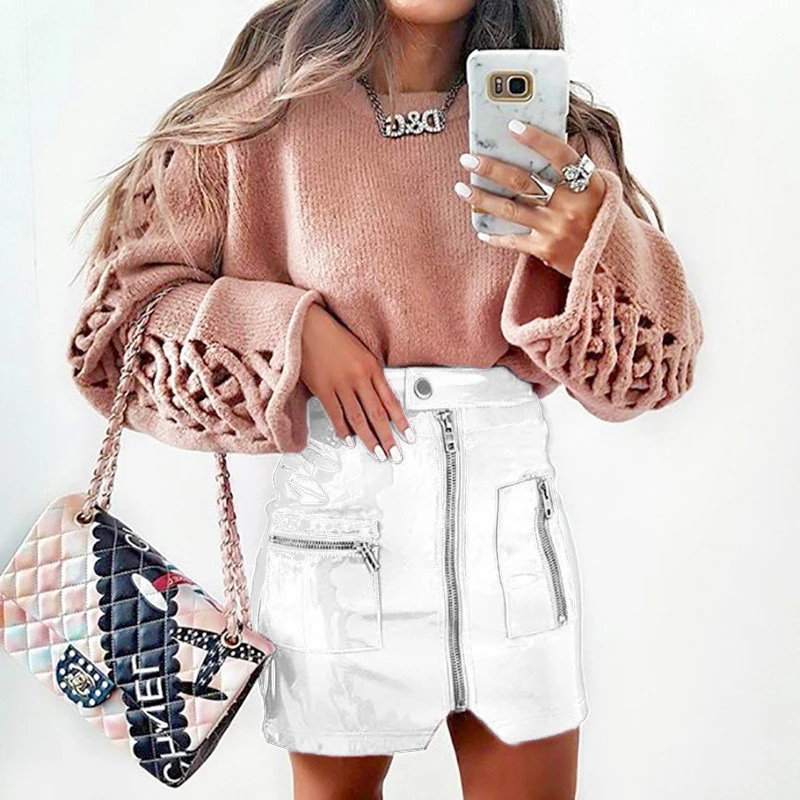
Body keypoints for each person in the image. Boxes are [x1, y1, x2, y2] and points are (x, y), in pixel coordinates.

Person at [66, 2, 704, 798]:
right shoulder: (256, 120)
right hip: (337, 550)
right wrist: (289, 332)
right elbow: (113, 334)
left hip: (510, 556)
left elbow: (656, 371)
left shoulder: (553, 136)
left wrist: (591, 242)